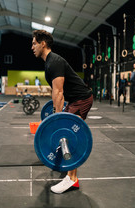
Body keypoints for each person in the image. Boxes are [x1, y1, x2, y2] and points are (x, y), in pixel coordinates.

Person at [31, 30, 93, 194]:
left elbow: (58, 93)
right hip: (74, 100)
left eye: (34, 43)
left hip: (81, 99)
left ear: (43, 43)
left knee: (69, 134)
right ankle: (70, 174)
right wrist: (56, 114)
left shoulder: (54, 61)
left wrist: (57, 122)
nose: (32, 47)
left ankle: (72, 180)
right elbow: (57, 94)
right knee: (66, 131)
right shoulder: (50, 62)